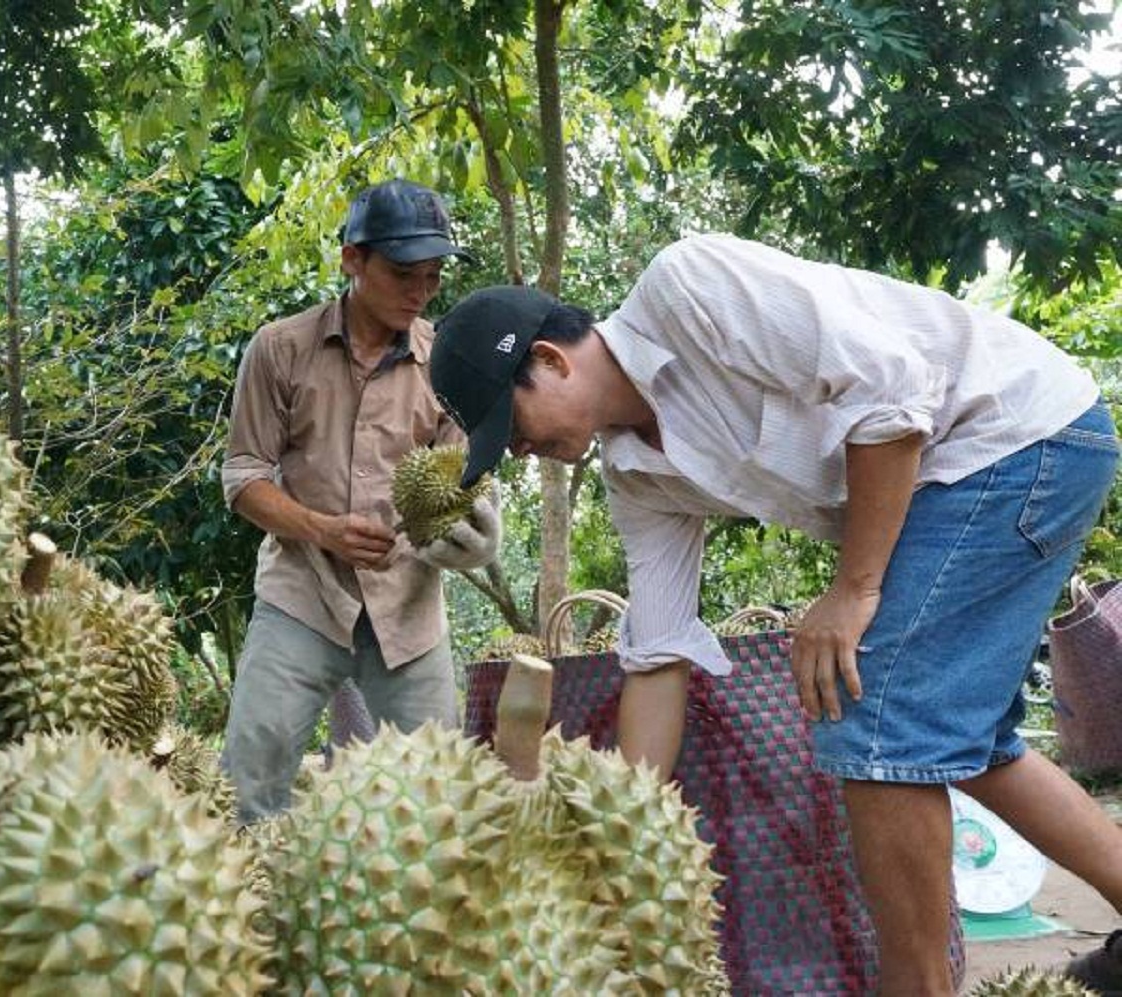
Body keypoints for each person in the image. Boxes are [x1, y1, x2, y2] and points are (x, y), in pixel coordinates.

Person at [428, 233, 1122, 996]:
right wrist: (623, 826)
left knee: (876, 712)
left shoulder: (686, 289)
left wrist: (853, 589)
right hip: (960, 477)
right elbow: (658, 654)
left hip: (1014, 433)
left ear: (553, 361)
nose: (520, 452)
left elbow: (893, 396)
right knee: (968, 743)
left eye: (512, 424)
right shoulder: (635, 477)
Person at [219, 179, 501, 825]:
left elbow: (467, 481)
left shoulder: (449, 365)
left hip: (408, 611)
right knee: (247, 791)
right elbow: (242, 475)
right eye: (404, 272)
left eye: (432, 277)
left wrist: (476, 538)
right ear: (352, 259)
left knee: (442, 800)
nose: (420, 292)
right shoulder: (280, 349)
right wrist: (321, 529)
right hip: (301, 597)